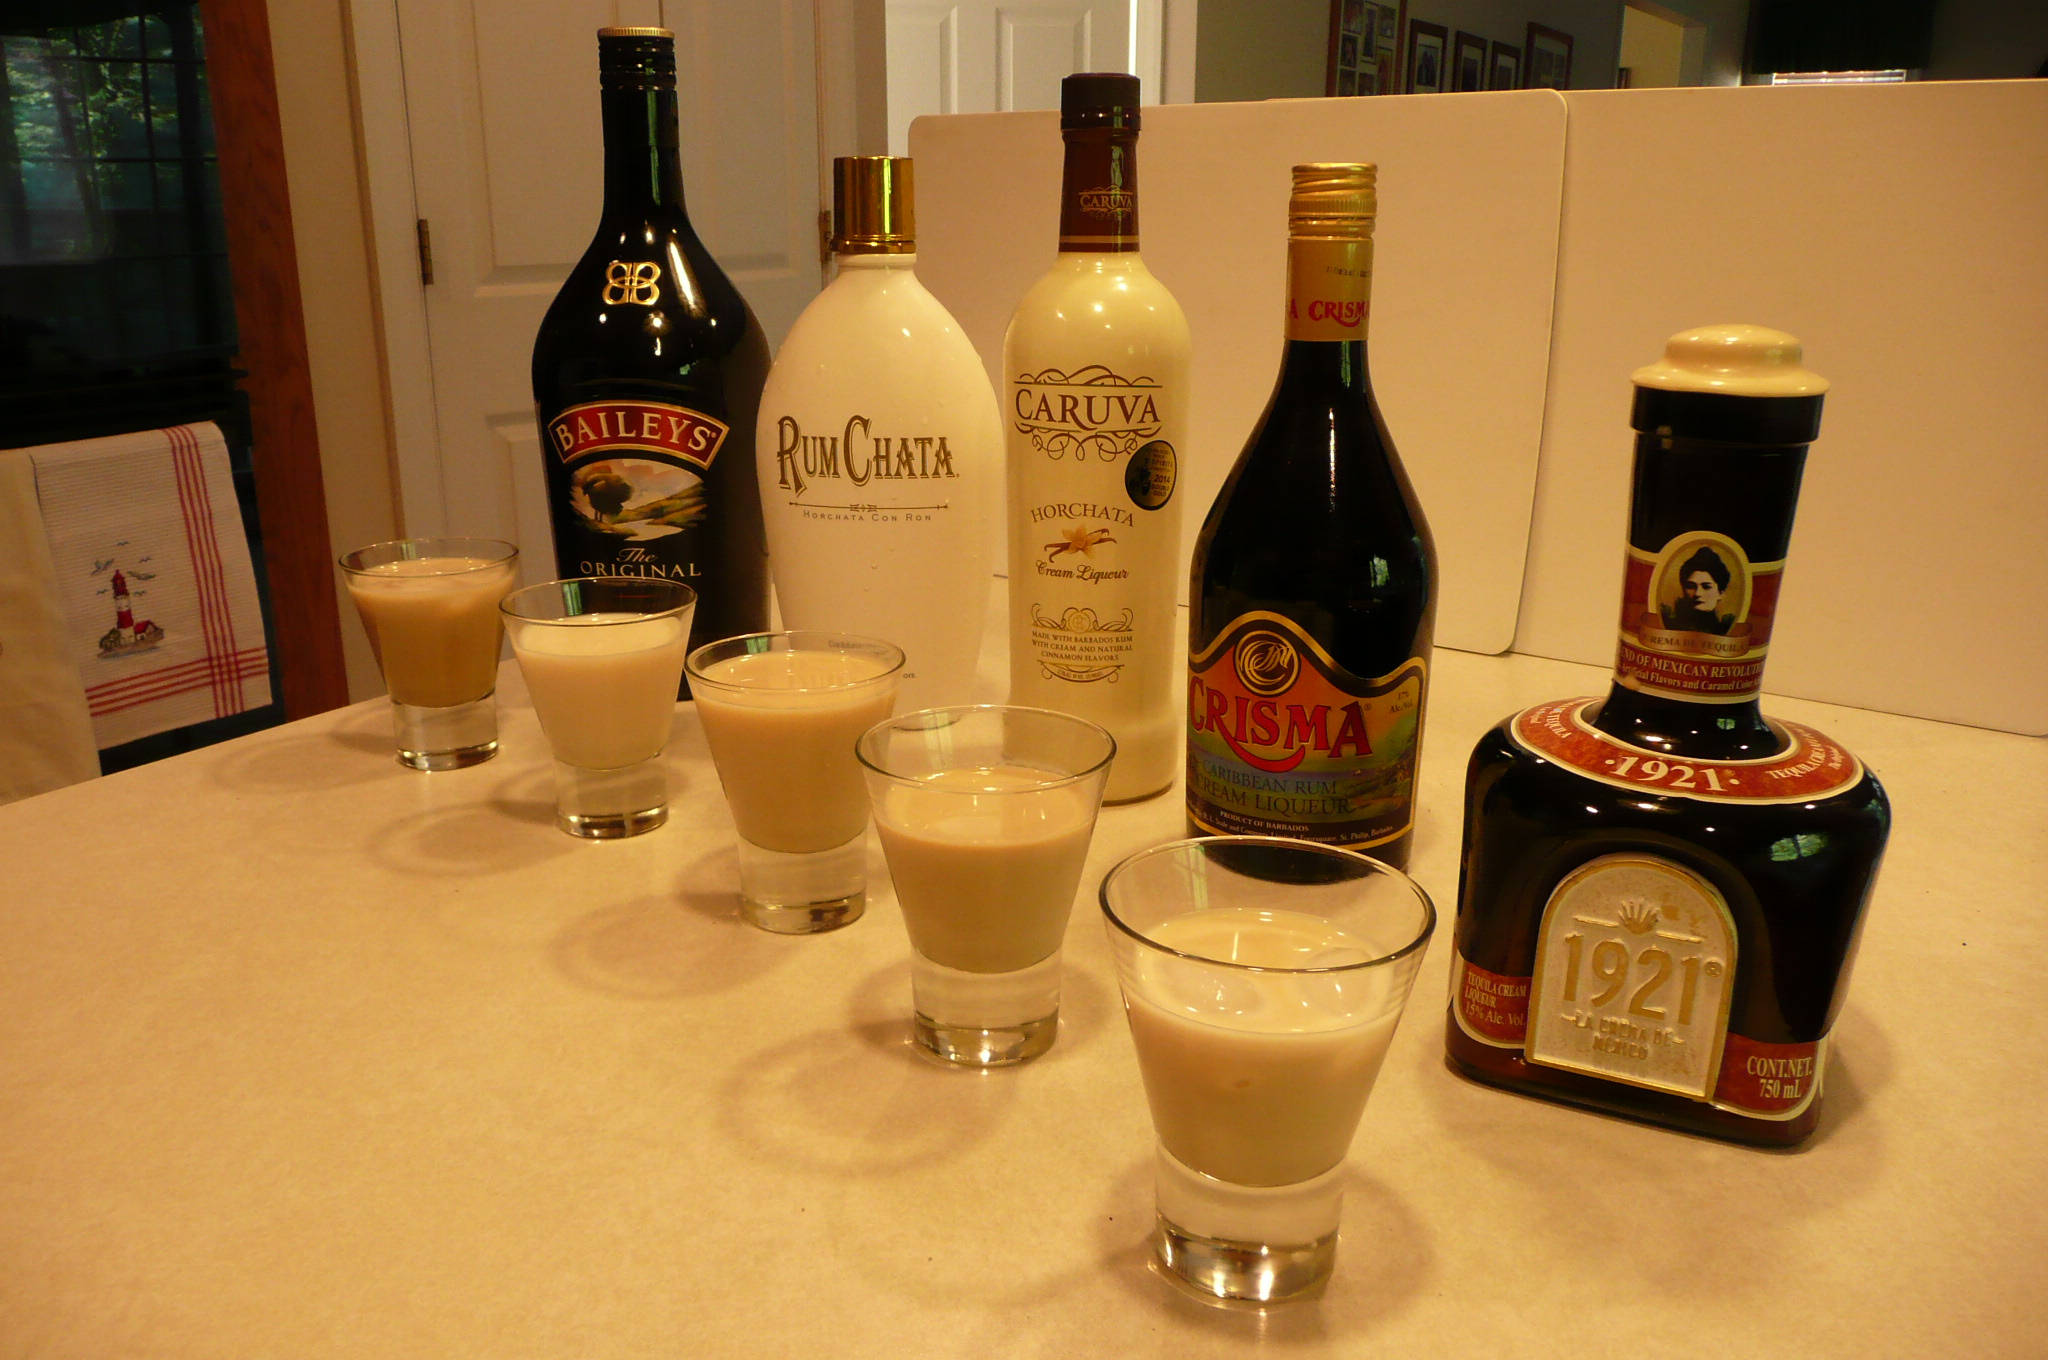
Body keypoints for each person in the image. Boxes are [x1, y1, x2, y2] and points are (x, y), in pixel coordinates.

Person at [1661, 546, 1735, 635]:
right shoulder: (1668, 622)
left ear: (1721, 593)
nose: (1697, 593)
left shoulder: (1725, 628)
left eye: (1706, 587)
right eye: (1691, 586)